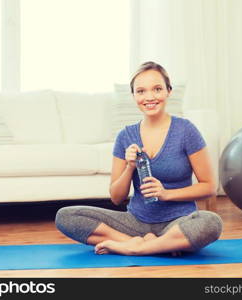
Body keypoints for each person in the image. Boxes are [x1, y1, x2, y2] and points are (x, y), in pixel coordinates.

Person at [55, 61, 223, 256]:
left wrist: (166, 194)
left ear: (169, 91)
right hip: (135, 223)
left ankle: (136, 249)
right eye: (141, 91)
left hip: (178, 223)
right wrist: (129, 167)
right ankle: (150, 245)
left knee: (211, 222)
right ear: (133, 95)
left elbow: (209, 186)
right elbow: (116, 197)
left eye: (157, 89)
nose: (149, 97)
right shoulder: (125, 136)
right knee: (66, 216)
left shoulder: (186, 131)